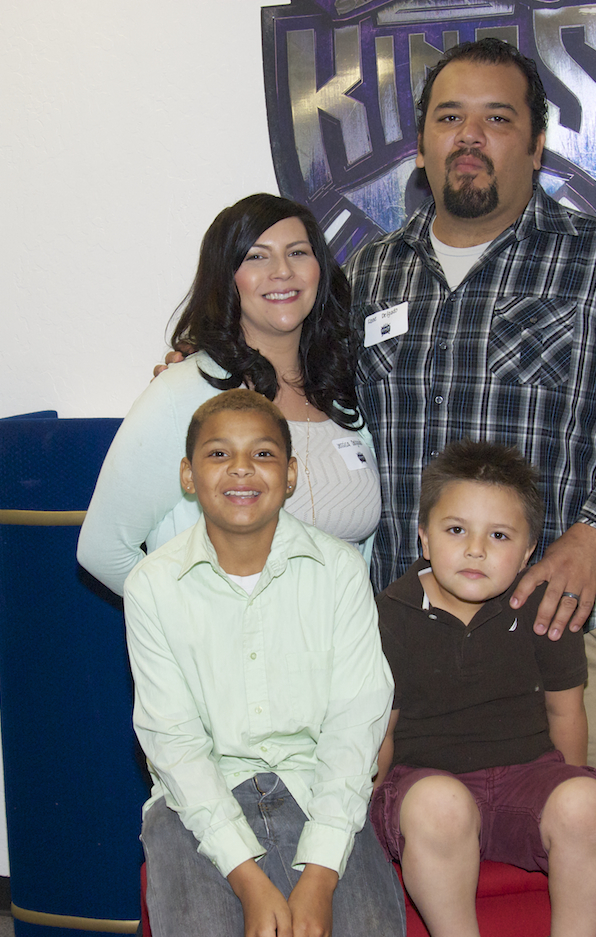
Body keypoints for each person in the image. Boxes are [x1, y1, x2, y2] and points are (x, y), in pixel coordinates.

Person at [344, 38, 596, 937]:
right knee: (391, 883)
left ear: (538, 146)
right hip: (399, 657)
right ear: (421, 145)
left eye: (497, 119)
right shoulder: (368, 275)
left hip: (559, 645)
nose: (470, 137)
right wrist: (200, 365)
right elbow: (306, 403)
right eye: (449, 118)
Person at [126, 389, 404, 937]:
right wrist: (248, 880)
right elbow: (175, 744)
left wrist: (320, 874)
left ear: (291, 474)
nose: (241, 468)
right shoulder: (152, 586)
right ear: (188, 476)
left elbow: (355, 725)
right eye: (218, 453)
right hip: (197, 802)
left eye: (263, 453)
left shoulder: (340, 570)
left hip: (318, 789)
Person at [371, 440, 596, 937]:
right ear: (424, 538)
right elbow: (381, 732)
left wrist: (570, 790)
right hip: (424, 789)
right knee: (441, 804)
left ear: (528, 552)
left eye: (499, 536)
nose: (476, 550)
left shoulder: (547, 608)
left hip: (525, 781)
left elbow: (566, 713)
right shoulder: (386, 616)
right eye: (456, 530)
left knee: (587, 802)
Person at [78, 194, 379, 596]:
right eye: (257, 257)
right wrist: (192, 620)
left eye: (297, 252)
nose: (282, 271)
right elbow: (103, 550)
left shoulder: (344, 394)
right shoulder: (183, 393)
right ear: (226, 277)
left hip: (343, 636)